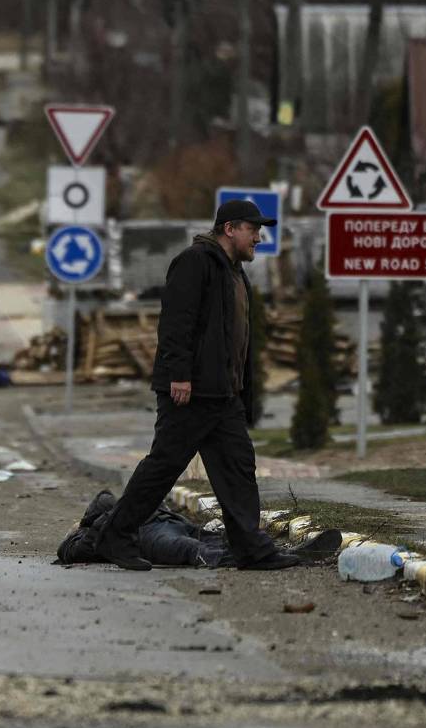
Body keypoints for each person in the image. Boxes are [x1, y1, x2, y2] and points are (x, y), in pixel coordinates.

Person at [96, 199, 290, 572]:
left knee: (237, 467)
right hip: (193, 391)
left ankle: (251, 549)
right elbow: (175, 323)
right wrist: (179, 375)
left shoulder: (233, 271)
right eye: (253, 229)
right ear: (230, 228)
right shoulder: (196, 261)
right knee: (164, 468)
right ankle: (114, 535)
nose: (259, 237)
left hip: (222, 393)